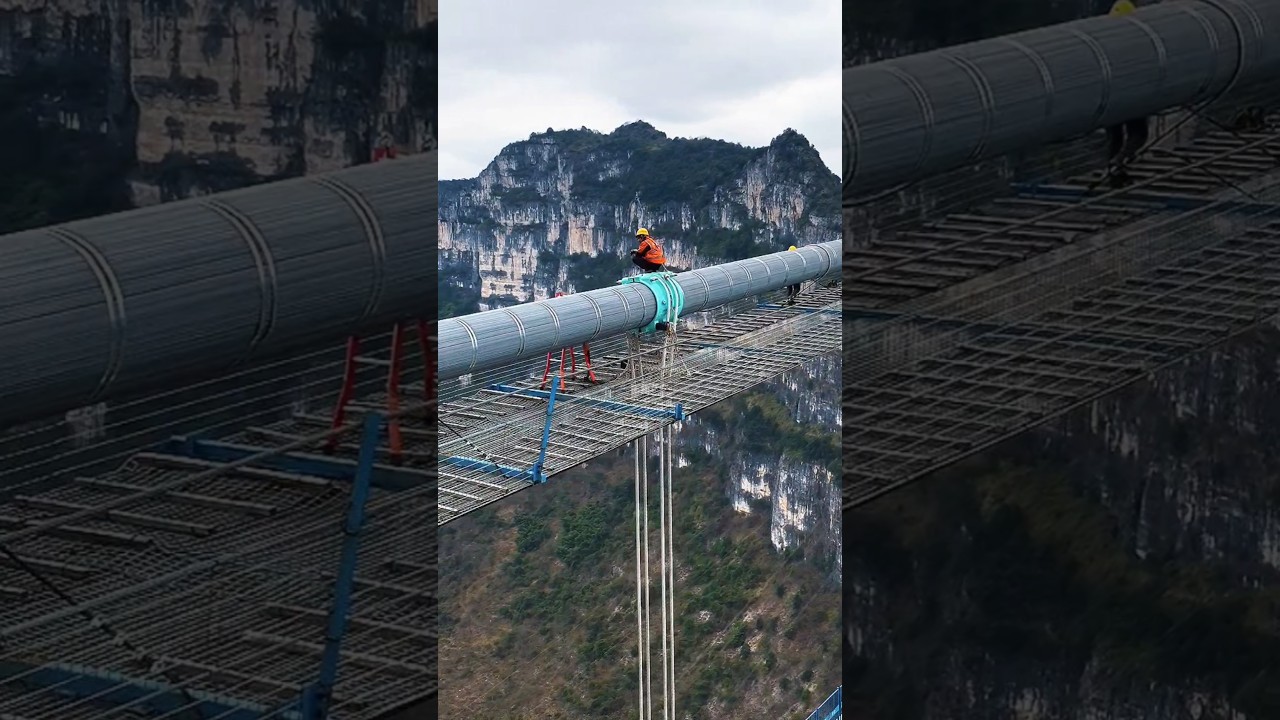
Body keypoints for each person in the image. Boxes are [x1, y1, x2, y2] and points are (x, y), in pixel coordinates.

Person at [1105, 0, 1148, 187]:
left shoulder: (1104, 40)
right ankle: (1120, 160)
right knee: (1139, 134)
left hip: (1111, 96)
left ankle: (1114, 171)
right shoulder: (1139, 40)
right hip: (1134, 95)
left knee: (1115, 137)